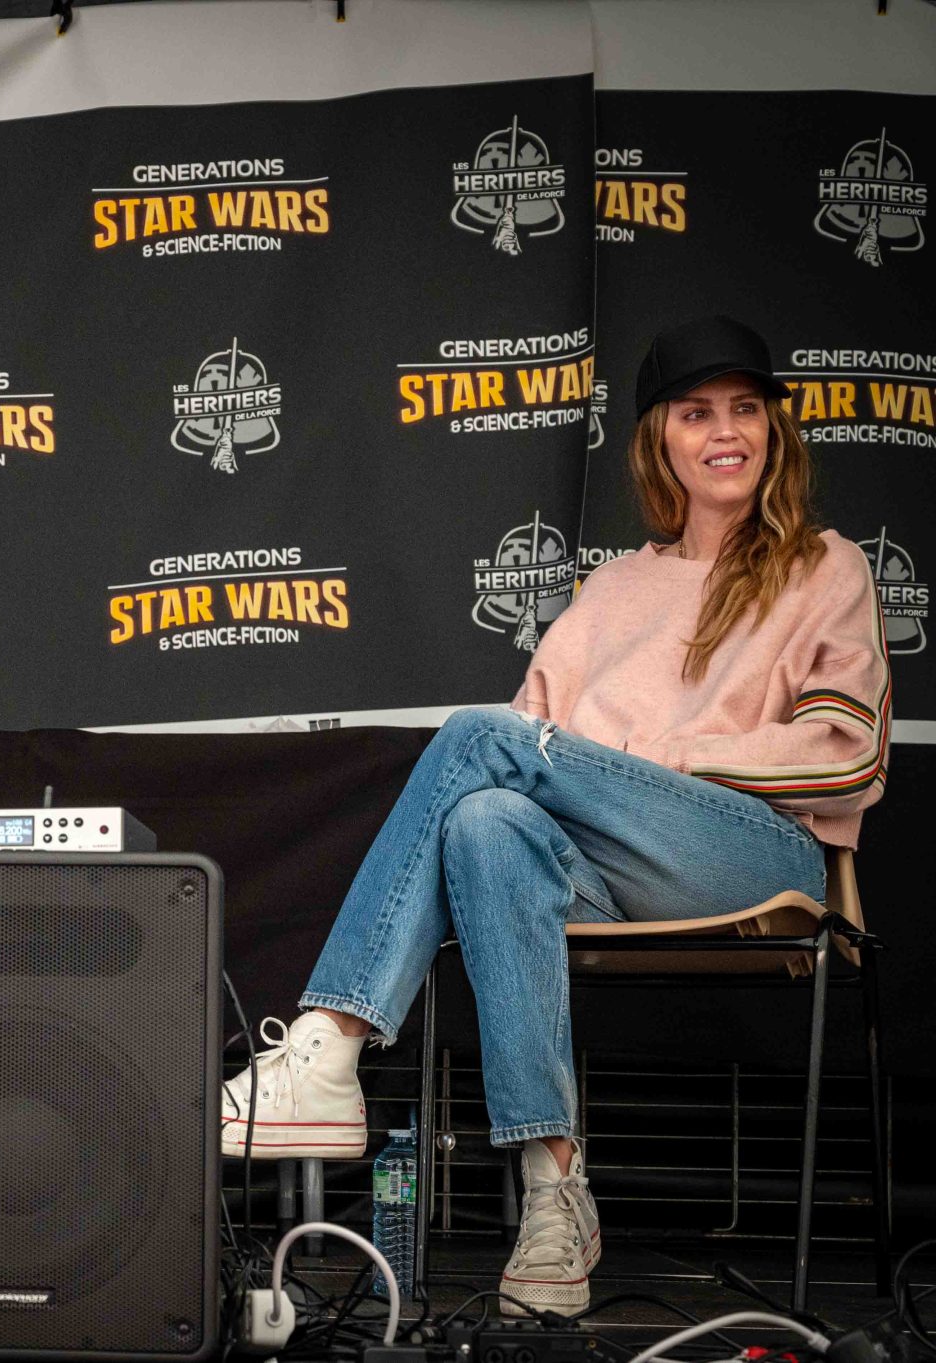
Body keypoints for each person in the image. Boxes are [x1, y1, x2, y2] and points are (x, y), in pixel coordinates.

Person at [221, 315, 889, 1314]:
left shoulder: (824, 566)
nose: (725, 431)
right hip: (611, 873)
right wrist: (583, 778)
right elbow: (512, 770)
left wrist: (658, 763)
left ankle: (330, 1043)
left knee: (480, 738)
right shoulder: (612, 589)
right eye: (696, 412)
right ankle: (552, 1191)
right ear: (660, 439)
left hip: (755, 857)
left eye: (745, 409)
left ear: (773, 431)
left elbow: (848, 754)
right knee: (484, 822)